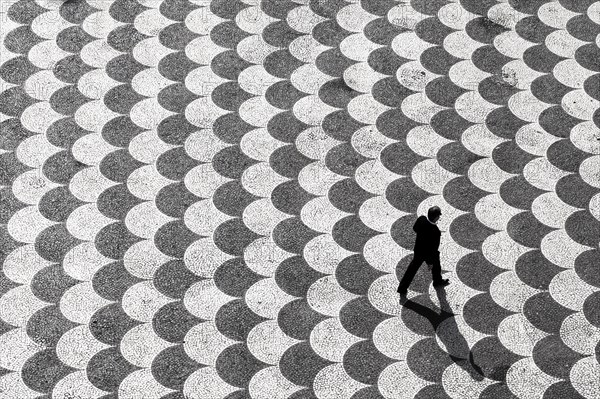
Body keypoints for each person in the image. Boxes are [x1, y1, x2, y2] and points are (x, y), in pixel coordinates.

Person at [397, 206, 450, 295]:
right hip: (428, 253)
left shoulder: (422, 219)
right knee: (436, 263)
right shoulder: (435, 232)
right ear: (436, 217)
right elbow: (433, 249)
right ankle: (437, 281)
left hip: (418, 250)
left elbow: (415, 228)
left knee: (412, 269)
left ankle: (402, 288)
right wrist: (430, 263)